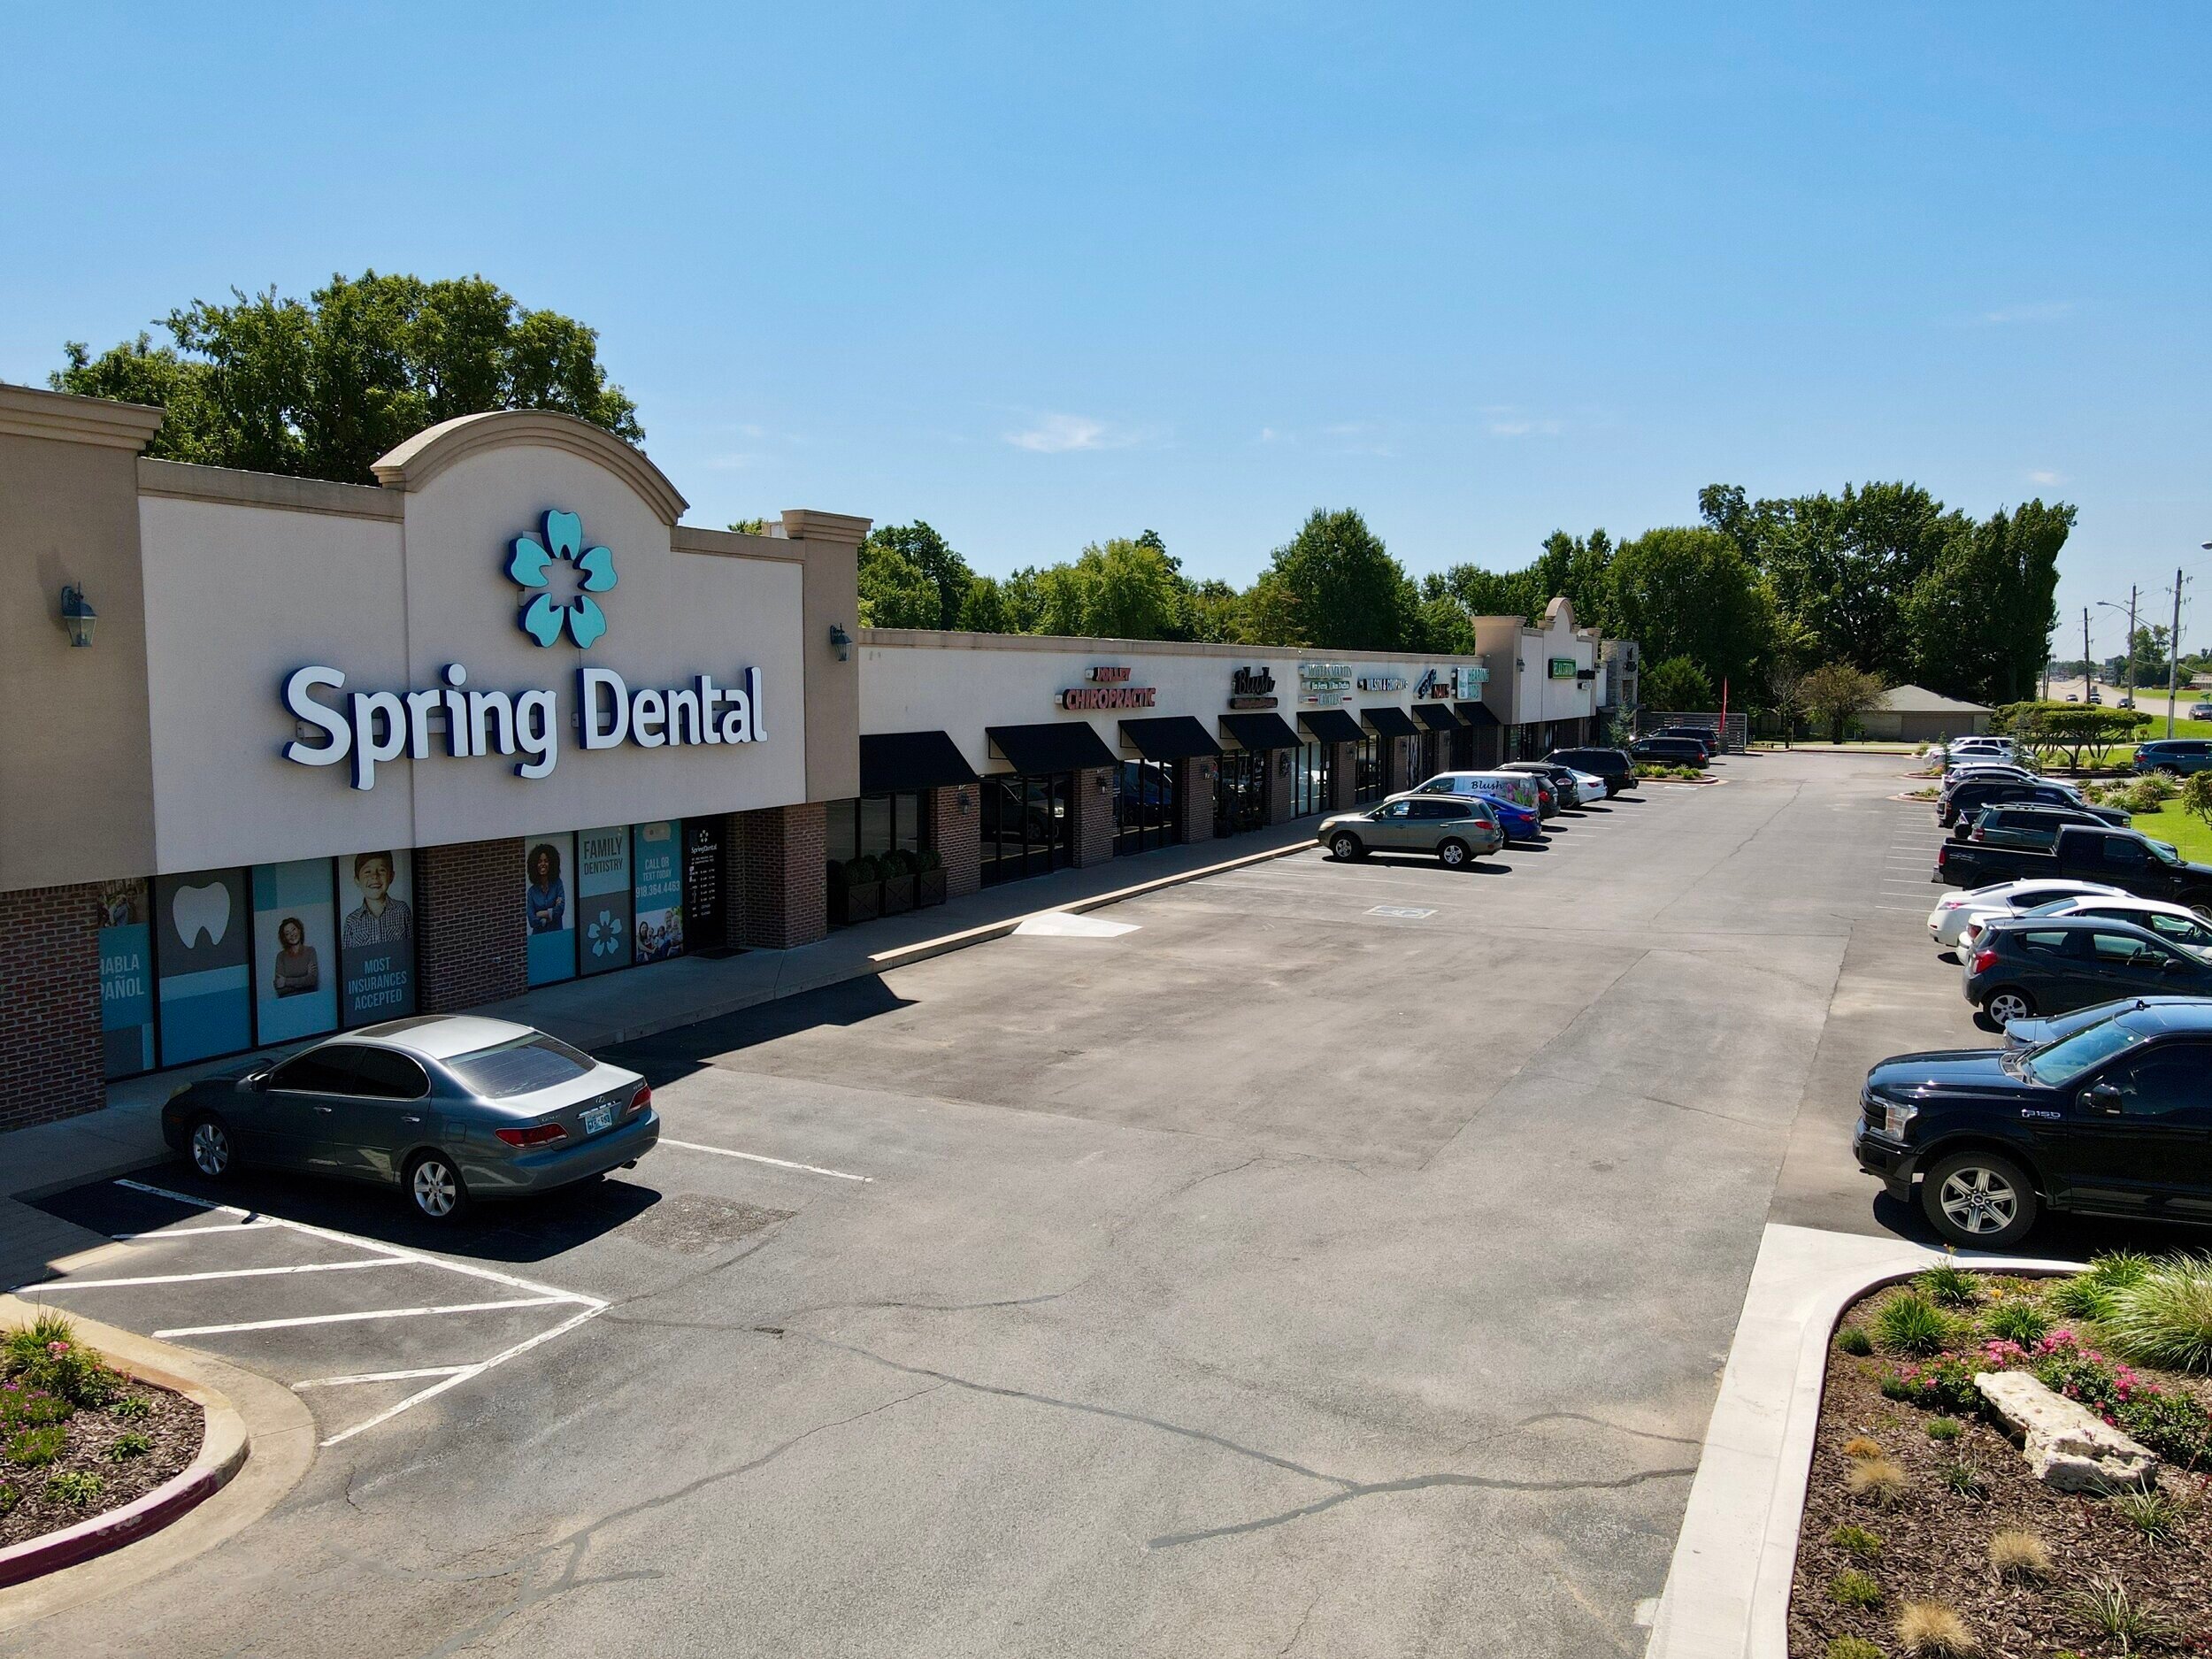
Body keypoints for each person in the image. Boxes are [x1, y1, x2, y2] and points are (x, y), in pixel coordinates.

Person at [342, 851, 413, 949]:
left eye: (381, 870)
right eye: (367, 872)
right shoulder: (352, 921)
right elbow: (349, 958)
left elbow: (411, 947)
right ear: (357, 880)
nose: (375, 876)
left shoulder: (402, 910)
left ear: (391, 876)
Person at [271, 916, 319, 997]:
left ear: (299, 930)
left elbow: (312, 981)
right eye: (287, 933)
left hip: (310, 1000)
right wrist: (305, 981)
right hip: (287, 1002)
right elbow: (279, 988)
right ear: (285, 938)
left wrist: (286, 982)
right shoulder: (281, 956)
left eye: (293, 929)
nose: (292, 934)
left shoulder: (310, 951)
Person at [527, 843, 567, 933]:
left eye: (546, 861)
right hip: (539, 937)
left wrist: (539, 914)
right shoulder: (531, 892)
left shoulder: (557, 884)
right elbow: (532, 921)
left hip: (556, 934)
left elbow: (560, 910)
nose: (543, 864)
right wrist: (550, 914)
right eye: (539, 861)